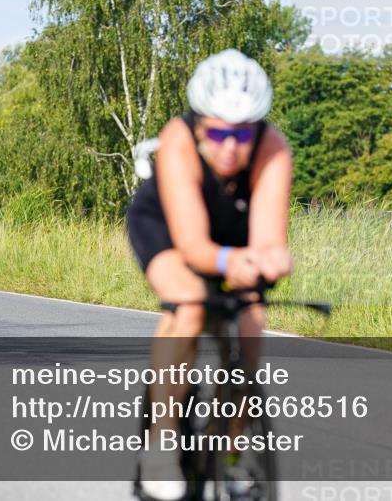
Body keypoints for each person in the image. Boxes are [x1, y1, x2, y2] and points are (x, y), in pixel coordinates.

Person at [126, 48, 294, 501]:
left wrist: (273, 259)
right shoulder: (178, 140)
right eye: (218, 132)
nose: (230, 146)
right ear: (199, 123)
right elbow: (195, 246)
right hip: (168, 226)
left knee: (251, 321)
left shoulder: (273, 148)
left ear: (258, 128)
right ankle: (160, 448)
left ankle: (234, 452)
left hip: (231, 229)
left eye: (243, 133)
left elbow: (267, 238)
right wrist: (229, 265)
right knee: (191, 303)